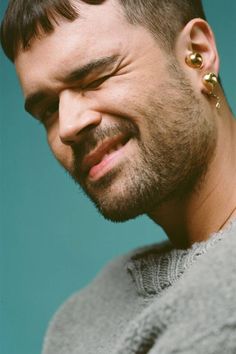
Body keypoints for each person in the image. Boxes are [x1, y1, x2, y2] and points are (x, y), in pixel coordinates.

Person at [1, 0, 236, 353]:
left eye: (95, 77)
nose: (67, 127)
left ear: (197, 55)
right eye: (48, 109)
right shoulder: (82, 317)